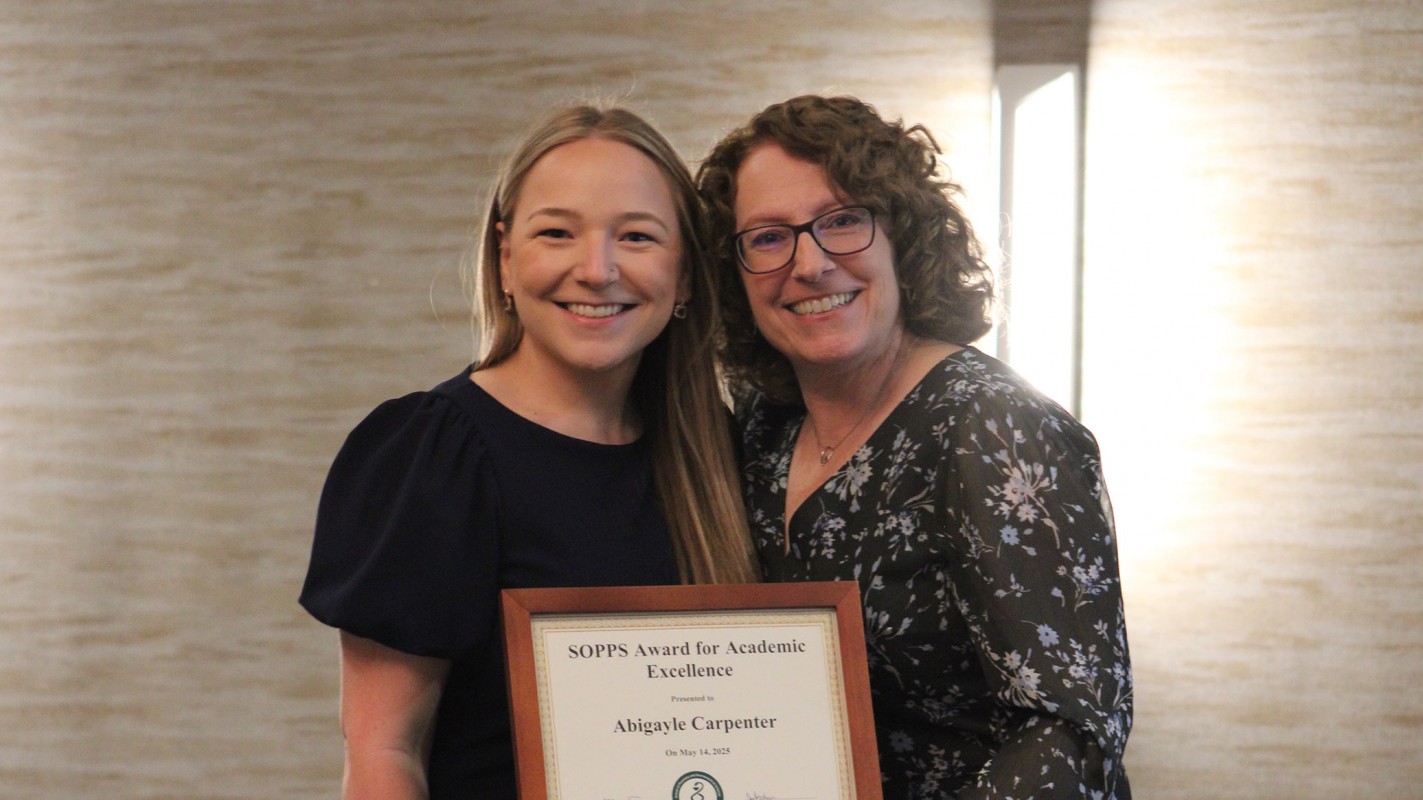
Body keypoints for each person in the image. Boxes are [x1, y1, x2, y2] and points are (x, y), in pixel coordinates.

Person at [300, 105, 759, 799]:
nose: (596, 270)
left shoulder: (717, 453)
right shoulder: (431, 457)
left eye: (636, 236)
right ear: (506, 259)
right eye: (556, 233)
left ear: (686, 275)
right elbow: (382, 751)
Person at [697, 95, 1132, 798]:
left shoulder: (994, 426)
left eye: (842, 221)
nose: (809, 264)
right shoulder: (760, 425)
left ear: (903, 236)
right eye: (768, 237)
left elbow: (1067, 733)